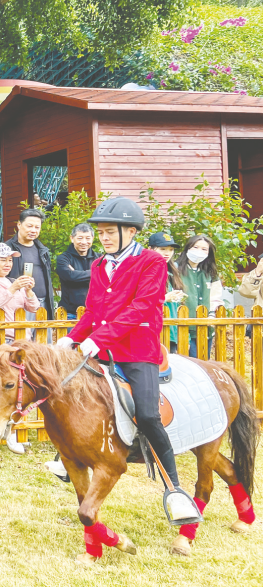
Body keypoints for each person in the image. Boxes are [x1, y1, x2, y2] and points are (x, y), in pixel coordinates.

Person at [56, 197, 202, 525]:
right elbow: (93, 310)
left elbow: (141, 307)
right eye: (101, 232)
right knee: (75, 397)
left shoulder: (152, 261)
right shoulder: (99, 265)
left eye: (110, 232)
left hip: (137, 352)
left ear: (131, 231)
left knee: (148, 415)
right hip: (102, 350)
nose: (104, 237)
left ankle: (175, 489)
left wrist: (98, 338)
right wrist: (73, 336)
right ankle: (66, 456)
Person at [0, 243, 40, 343]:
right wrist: (12, 289)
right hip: (1, 338)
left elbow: (34, 308)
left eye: (10, 260)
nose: (8, 264)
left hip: (24, 337)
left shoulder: (13, 281)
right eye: (3, 260)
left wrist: (28, 290)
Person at [176, 234, 224, 358]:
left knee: (203, 363)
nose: (199, 252)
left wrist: (212, 314)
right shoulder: (175, 270)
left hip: (205, 328)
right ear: (188, 248)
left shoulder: (210, 272)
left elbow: (215, 296)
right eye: (195, 247)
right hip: (183, 328)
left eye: (204, 249)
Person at [6, 208, 56, 317]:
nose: (33, 230)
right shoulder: (7, 249)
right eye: (29, 226)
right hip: (19, 305)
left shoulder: (42, 250)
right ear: (19, 225)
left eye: (37, 227)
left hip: (42, 303)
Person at [149, 232, 185, 353]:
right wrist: (165, 298)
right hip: (153, 331)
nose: (167, 253)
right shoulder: (145, 271)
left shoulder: (172, 272)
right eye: (163, 249)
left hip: (172, 331)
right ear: (150, 249)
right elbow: (139, 301)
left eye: (171, 250)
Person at [56, 223, 101, 318]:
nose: (84, 242)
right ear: (72, 238)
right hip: (69, 313)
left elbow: (105, 278)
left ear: (92, 238)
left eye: (88, 238)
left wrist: (76, 274)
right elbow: (70, 276)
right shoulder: (63, 258)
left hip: (95, 312)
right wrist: (96, 272)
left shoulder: (99, 258)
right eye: (80, 238)